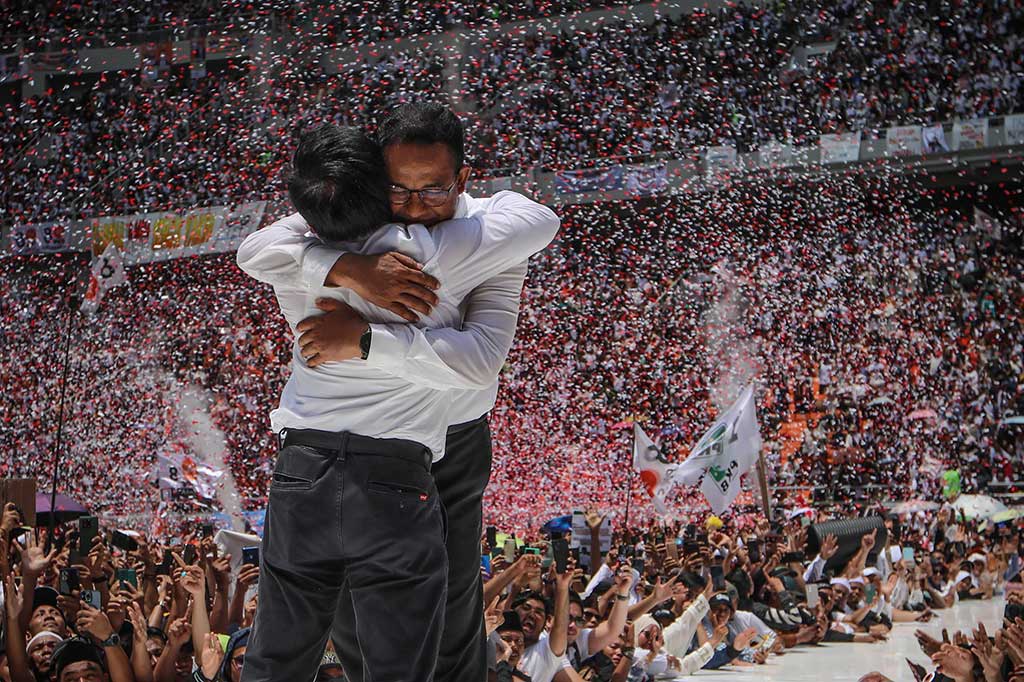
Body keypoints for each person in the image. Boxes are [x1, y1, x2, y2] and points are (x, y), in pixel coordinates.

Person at [240, 102, 553, 682]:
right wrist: (346, 267)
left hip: (450, 437)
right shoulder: (361, 237)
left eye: (431, 191)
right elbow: (255, 251)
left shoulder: (487, 233)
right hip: (395, 445)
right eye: (395, 189)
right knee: (362, 612)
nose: (413, 208)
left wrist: (365, 339)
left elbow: (482, 360)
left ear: (462, 180)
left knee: (453, 595)